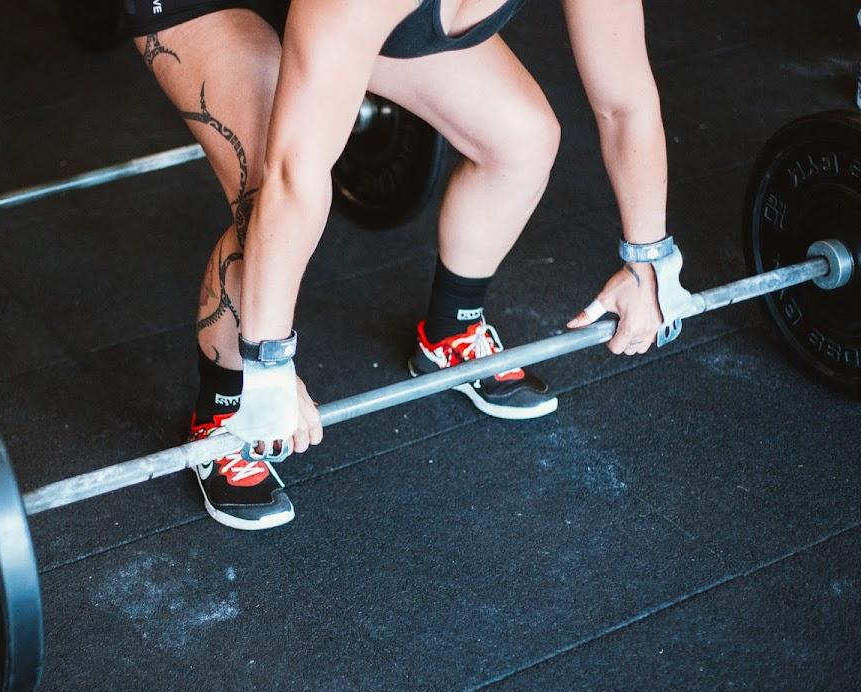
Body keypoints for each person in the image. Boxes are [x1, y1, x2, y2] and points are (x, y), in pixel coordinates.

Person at [227, 0, 673, 461]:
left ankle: (450, 332)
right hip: (224, 10)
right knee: (256, 192)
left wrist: (648, 258)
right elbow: (292, 177)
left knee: (523, 139)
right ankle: (226, 399)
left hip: (362, 25)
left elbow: (624, 105)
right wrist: (268, 365)